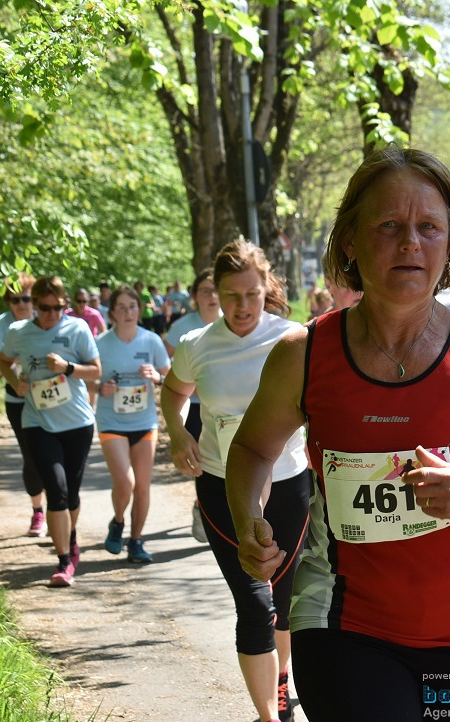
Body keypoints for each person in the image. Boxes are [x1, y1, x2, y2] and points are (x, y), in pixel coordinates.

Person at [225, 148, 450, 721]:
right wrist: (246, 519)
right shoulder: (304, 356)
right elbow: (253, 448)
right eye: (389, 226)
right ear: (351, 240)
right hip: (343, 625)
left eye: (429, 227)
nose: (411, 242)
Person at [160, 242, 309, 722]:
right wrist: (178, 430)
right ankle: (268, 716)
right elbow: (174, 390)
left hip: (288, 484)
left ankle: (280, 688)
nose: (243, 307)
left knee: (284, 605)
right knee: (254, 604)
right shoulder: (197, 345)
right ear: (214, 294)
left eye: (252, 294)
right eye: (231, 296)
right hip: (224, 487)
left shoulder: (295, 339)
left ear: (268, 289)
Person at [0, 276, 101, 587]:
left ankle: (70, 539)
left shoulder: (77, 328)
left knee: (70, 493)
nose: (51, 314)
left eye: (58, 308)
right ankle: (63, 561)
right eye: (44, 308)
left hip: (77, 423)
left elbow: (96, 370)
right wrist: (15, 380)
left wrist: (67, 368)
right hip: (38, 422)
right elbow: (4, 362)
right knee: (56, 491)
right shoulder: (19, 332)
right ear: (35, 306)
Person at [96, 285, 171, 564]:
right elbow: (88, 378)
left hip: (144, 421)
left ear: (140, 309)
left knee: (142, 486)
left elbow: (170, 376)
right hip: (111, 421)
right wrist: (100, 387)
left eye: (133, 307)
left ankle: (136, 541)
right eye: (122, 308)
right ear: (112, 312)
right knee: (125, 483)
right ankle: (117, 522)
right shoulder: (101, 343)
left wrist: (157, 377)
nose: (128, 312)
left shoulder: (151, 341)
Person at [0, 273, 46, 537]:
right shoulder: (3, 324)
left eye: (27, 299)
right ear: (8, 302)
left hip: (52, 399)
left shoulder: (47, 318)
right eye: (15, 300)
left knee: (54, 456)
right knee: (31, 457)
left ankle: (59, 509)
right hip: (18, 401)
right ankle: (38, 511)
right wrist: (12, 362)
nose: (21, 305)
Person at [163, 268, 223, 544]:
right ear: (194, 296)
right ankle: (203, 508)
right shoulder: (183, 327)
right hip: (196, 405)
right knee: (204, 462)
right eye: (205, 291)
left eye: (215, 289)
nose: (212, 296)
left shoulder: (233, 322)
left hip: (227, 408)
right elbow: (167, 356)